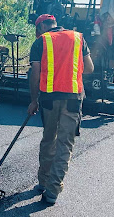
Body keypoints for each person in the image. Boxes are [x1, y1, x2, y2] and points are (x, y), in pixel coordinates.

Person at [27, 14, 95, 205]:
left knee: (49, 139)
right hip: (73, 98)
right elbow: (89, 68)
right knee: (65, 144)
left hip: (49, 98)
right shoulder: (78, 38)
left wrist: (33, 101)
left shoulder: (41, 41)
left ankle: (43, 182)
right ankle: (52, 191)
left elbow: (35, 74)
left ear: (40, 27)